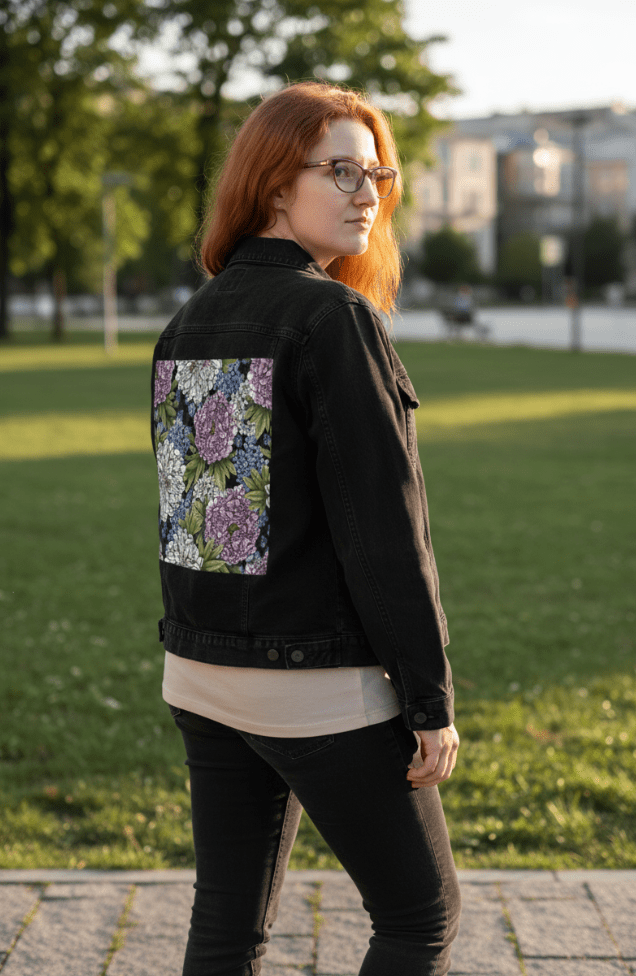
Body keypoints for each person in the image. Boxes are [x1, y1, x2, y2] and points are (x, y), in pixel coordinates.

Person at [151, 80, 461, 976]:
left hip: (201, 677)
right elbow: (384, 529)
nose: (369, 192)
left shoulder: (187, 320)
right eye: (342, 170)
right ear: (275, 181)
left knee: (227, 930)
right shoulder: (333, 318)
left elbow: (196, 521)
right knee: (420, 918)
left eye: (378, 173)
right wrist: (429, 700)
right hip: (313, 686)